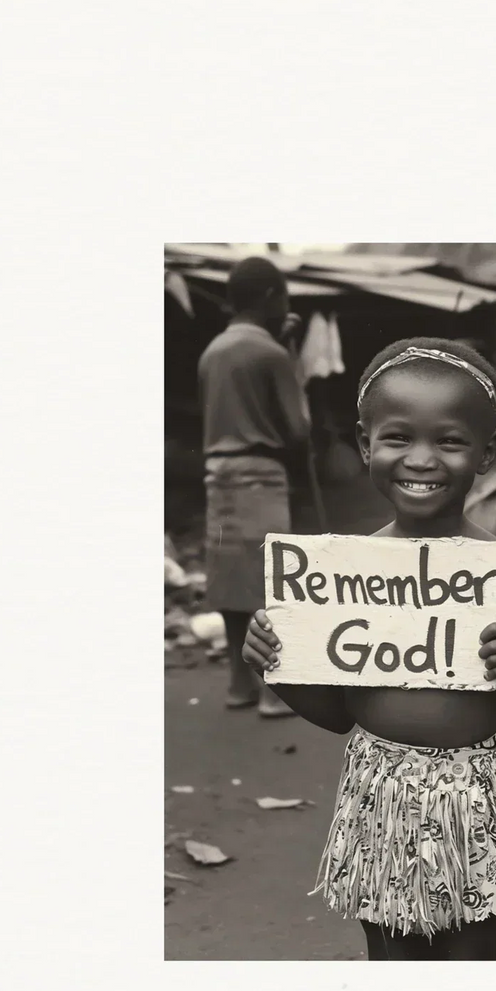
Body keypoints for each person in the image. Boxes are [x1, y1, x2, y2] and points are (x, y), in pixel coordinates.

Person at [241, 338, 496, 959]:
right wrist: (278, 669)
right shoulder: (342, 578)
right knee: (392, 955)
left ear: (487, 454)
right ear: (365, 443)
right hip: (381, 791)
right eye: (398, 438)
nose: (421, 460)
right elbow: (340, 713)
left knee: (470, 955)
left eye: (449, 441)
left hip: (473, 795)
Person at [199, 256, 309, 717]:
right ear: (270, 299)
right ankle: (273, 691)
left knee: (230, 581)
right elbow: (298, 429)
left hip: (218, 478)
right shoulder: (271, 353)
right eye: (283, 295)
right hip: (262, 476)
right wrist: (289, 352)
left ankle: (239, 685)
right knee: (273, 580)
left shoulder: (213, 351)